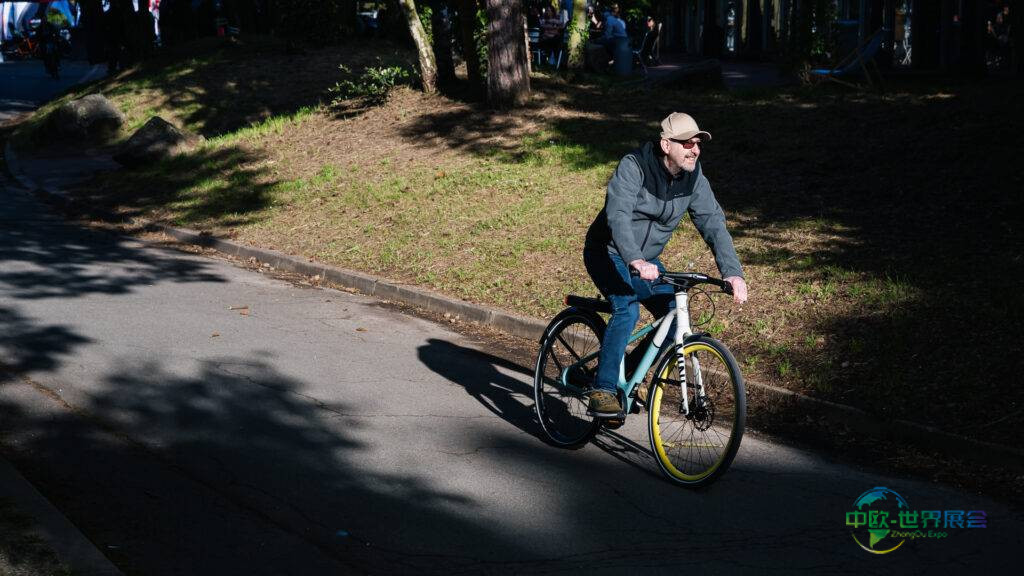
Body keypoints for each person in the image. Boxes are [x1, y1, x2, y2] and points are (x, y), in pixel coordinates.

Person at [582, 113, 748, 417]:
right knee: (627, 307)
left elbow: (713, 223)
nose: (694, 149)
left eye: (697, 143)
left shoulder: (693, 177)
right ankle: (603, 389)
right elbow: (617, 216)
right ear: (665, 144)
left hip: (647, 260)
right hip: (609, 251)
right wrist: (634, 258)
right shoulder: (634, 167)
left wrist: (733, 273)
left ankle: (630, 376)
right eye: (686, 143)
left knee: (674, 312)